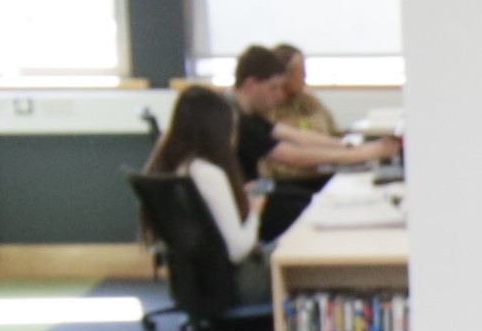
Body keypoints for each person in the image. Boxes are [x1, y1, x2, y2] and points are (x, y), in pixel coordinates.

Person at [226, 43, 390, 240]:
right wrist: (365, 153)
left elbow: (295, 136)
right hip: (247, 204)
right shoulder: (236, 119)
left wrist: (347, 146)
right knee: (315, 207)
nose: (279, 95)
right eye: (273, 88)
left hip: (257, 192)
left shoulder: (249, 114)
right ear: (251, 84)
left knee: (316, 200)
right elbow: (294, 156)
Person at [143, 84, 265, 267]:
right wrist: (255, 212)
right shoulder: (208, 174)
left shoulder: (173, 167)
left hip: (188, 282)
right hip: (232, 280)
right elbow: (237, 250)